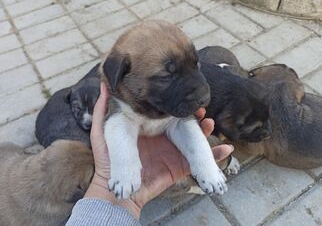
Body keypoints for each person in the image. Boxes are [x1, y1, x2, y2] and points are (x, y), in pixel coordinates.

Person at [66, 83, 233, 226]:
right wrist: (119, 170)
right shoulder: (123, 97)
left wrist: (203, 163)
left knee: (186, 123)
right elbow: (117, 124)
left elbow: (184, 125)